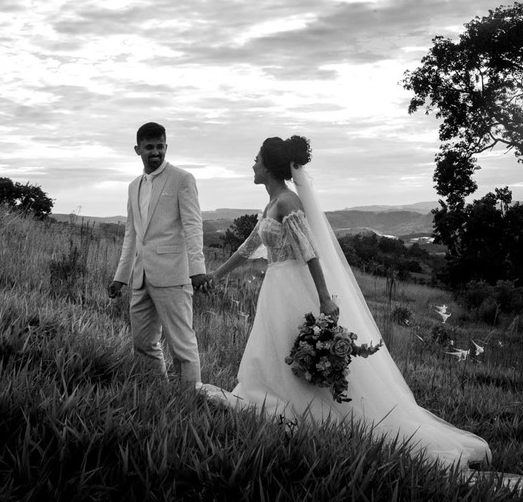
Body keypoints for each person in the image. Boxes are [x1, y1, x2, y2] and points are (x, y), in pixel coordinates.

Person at [201, 135, 492, 469]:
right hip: (274, 288)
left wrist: (325, 298)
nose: (252, 165)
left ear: (267, 165)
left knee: (288, 351)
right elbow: (247, 247)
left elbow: (309, 252)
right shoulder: (271, 204)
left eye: (256, 159)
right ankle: (270, 403)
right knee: (269, 351)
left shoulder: (287, 203)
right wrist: (216, 276)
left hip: (292, 289)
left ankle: (305, 412)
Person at [108, 122, 209, 384]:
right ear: (137, 149)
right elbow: (132, 234)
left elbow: (193, 226)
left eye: (160, 146)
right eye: (149, 147)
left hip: (173, 275)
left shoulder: (182, 179)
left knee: (182, 346)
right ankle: (157, 394)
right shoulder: (133, 186)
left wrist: (197, 270)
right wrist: (121, 276)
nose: (156, 152)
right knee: (142, 342)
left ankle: (190, 400)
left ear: (166, 147)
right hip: (141, 277)